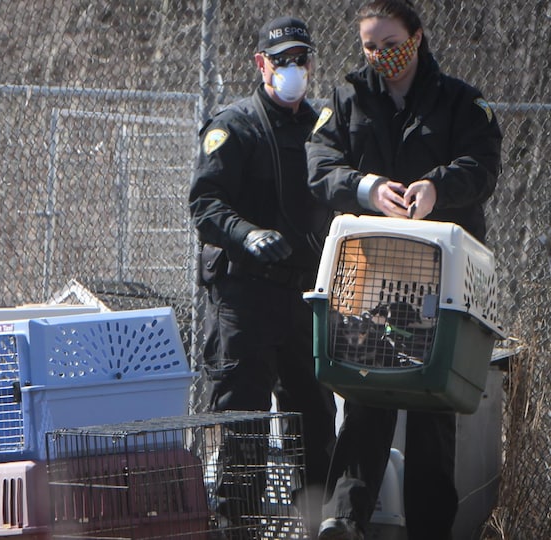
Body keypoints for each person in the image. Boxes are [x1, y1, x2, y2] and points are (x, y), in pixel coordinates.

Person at [305, 1, 502, 539]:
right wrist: (367, 188)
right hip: (369, 279)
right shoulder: (349, 99)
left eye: (391, 43)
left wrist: (437, 187)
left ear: (417, 37)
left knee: (432, 407)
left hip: (441, 284)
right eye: (370, 45)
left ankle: (431, 528)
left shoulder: (460, 102)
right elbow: (321, 166)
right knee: (367, 396)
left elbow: (482, 165)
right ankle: (343, 522)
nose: (380, 56)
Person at [189, 15, 337, 539]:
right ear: (262, 65)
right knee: (242, 425)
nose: (293, 70)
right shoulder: (236, 125)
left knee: (315, 423)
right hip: (244, 297)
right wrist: (245, 233)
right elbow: (205, 204)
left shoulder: (324, 128)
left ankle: (317, 526)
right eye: (282, 61)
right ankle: (238, 529)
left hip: (304, 295)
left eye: (301, 59)